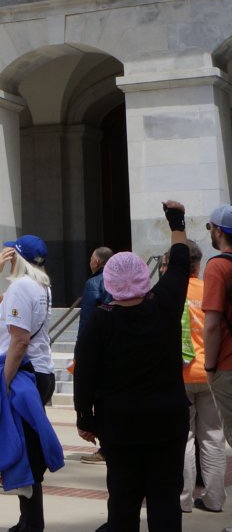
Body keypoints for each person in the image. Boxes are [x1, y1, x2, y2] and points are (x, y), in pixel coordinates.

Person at [74, 203, 189, 532]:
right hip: (167, 420)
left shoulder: (100, 320)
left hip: (119, 424)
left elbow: (85, 373)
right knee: (166, 499)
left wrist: (85, 416)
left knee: (123, 502)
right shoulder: (165, 303)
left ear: (108, 282)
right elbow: (180, 263)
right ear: (144, 277)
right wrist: (176, 221)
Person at [0, 234, 60, 532]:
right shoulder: (38, 285)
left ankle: (32, 523)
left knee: (26, 449)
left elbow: (19, 340)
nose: (7, 256)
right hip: (37, 372)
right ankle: (28, 519)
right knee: (26, 447)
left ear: (19, 257)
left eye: (11, 254)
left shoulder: (22, 287)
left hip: (23, 373)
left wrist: (4, 381)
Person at [178, 239, 224, 514]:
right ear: (198, 264)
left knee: (184, 437)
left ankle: (182, 500)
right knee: (213, 437)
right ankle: (214, 498)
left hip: (181, 373)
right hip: (210, 371)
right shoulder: (209, 288)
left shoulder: (170, 292)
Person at [77, 245, 113, 465]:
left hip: (98, 350)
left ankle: (105, 447)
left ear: (97, 263)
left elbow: (87, 321)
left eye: (91, 259)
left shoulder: (93, 283)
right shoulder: (118, 281)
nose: (89, 263)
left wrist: (81, 351)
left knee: (99, 399)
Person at [201, 204, 232, 458]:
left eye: (210, 227)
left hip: (227, 364)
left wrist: (209, 368)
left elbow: (212, 325)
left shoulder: (217, 267)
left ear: (219, 231)